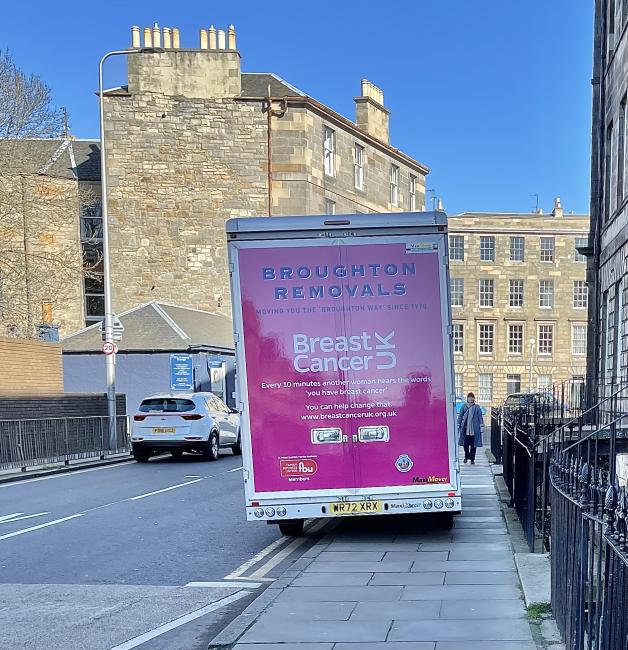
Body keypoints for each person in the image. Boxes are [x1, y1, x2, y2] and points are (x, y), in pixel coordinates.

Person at [457, 392, 483, 464]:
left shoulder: (477, 407)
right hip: (465, 428)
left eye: (472, 397)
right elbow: (460, 416)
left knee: (473, 445)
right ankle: (466, 457)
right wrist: (458, 424)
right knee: (465, 445)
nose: (471, 399)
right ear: (467, 398)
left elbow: (480, 417)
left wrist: (481, 426)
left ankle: (472, 459)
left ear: (474, 399)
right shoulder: (464, 406)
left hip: (474, 429)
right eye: (469, 397)